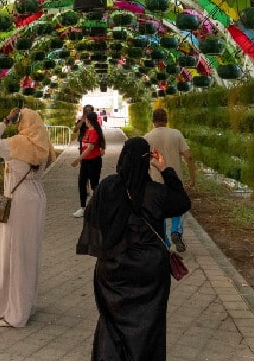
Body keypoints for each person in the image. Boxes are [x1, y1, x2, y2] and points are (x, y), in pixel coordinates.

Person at [76, 137, 191, 361]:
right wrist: (166, 169)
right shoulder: (156, 193)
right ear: (147, 160)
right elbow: (183, 202)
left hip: (112, 268)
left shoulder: (107, 187)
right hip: (149, 271)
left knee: (111, 323)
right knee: (149, 325)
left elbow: (91, 219)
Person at [0, 106, 57, 328]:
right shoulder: (43, 146)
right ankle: (24, 306)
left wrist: (5, 121)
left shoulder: (16, 144)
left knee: (14, 252)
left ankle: (14, 314)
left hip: (18, 200)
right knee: (29, 252)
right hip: (36, 198)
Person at [143, 108, 196, 252]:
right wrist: (193, 178)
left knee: (158, 212)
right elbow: (189, 156)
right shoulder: (176, 134)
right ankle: (176, 232)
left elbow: (142, 162)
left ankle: (164, 241)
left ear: (153, 121)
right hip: (174, 180)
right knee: (177, 208)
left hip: (156, 183)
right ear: (166, 119)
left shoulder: (147, 138)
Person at [70, 108, 105, 217]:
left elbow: (89, 149)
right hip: (85, 161)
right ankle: (83, 208)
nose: (84, 120)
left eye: (86, 119)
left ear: (89, 120)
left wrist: (77, 160)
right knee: (82, 183)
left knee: (94, 185)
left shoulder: (94, 131)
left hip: (93, 161)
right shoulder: (87, 131)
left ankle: (96, 208)